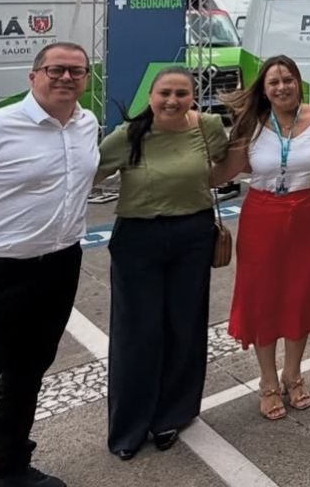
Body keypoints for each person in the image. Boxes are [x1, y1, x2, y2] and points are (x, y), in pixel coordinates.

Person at [0, 43, 99, 487]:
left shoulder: (87, 123)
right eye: (55, 69)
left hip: (59, 267)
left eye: (76, 71)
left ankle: (9, 471)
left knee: (28, 373)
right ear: (33, 76)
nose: (66, 77)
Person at [96, 67, 229, 460]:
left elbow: (226, 167)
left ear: (193, 96)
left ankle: (173, 414)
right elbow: (87, 174)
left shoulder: (207, 127)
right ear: (150, 96)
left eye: (181, 93)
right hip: (138, 239)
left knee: (185, 327)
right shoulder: (129, 135)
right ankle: (129, 426)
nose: (172, 100)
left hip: (193, 236)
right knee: (137, 334)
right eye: (165, 93)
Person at [216, 56, 310, 419]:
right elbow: (223, 172)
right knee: (264, 299)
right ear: (264, 89)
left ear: (299, 82)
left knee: (301, 294)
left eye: (288, 79)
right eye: (274, 82)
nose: (282, 87)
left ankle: (293, 373)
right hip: (263, 218)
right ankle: (268, 380)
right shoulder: (251, 124)